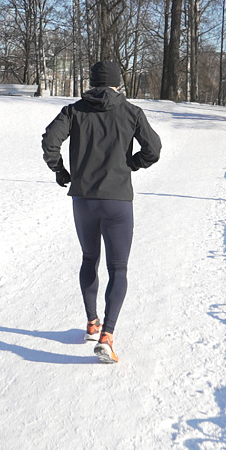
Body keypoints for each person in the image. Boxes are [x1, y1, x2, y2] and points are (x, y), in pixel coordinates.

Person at [41, 60, 162, 364]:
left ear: (92, 82)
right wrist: (131, 165)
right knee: (118, 268)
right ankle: (107, 335)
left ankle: (92, 323)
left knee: (89, 259)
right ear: (118, 84)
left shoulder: (74, 111)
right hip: (118, 200)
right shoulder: (131, 112)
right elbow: (154, 150)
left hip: (83, 199)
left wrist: (60, 171)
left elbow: (49, 142)